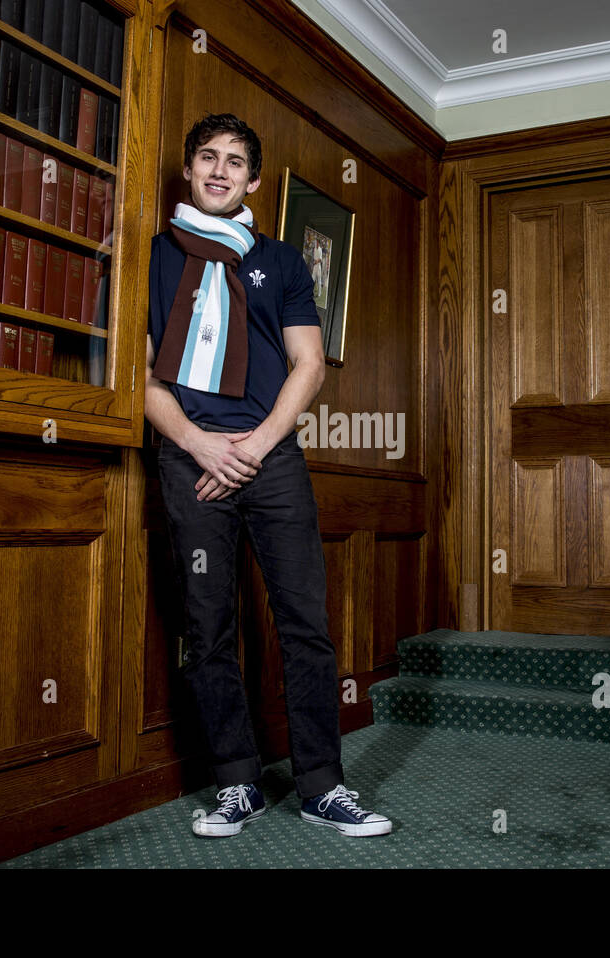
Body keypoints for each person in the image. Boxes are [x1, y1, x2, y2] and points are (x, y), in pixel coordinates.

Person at [144, 113, 391, 838]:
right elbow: (141, 375)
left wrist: (250, 448)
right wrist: (200, 444)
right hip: (189, 458)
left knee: (305, 627)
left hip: (272, 457)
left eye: (235, 162)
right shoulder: (150, 257)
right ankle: (237, 785)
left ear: (252, 180)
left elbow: (308, 364)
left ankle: (322, 786)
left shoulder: (280, 262)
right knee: (208, 628)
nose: (220, 171)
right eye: (207, 158)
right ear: (189, 170)